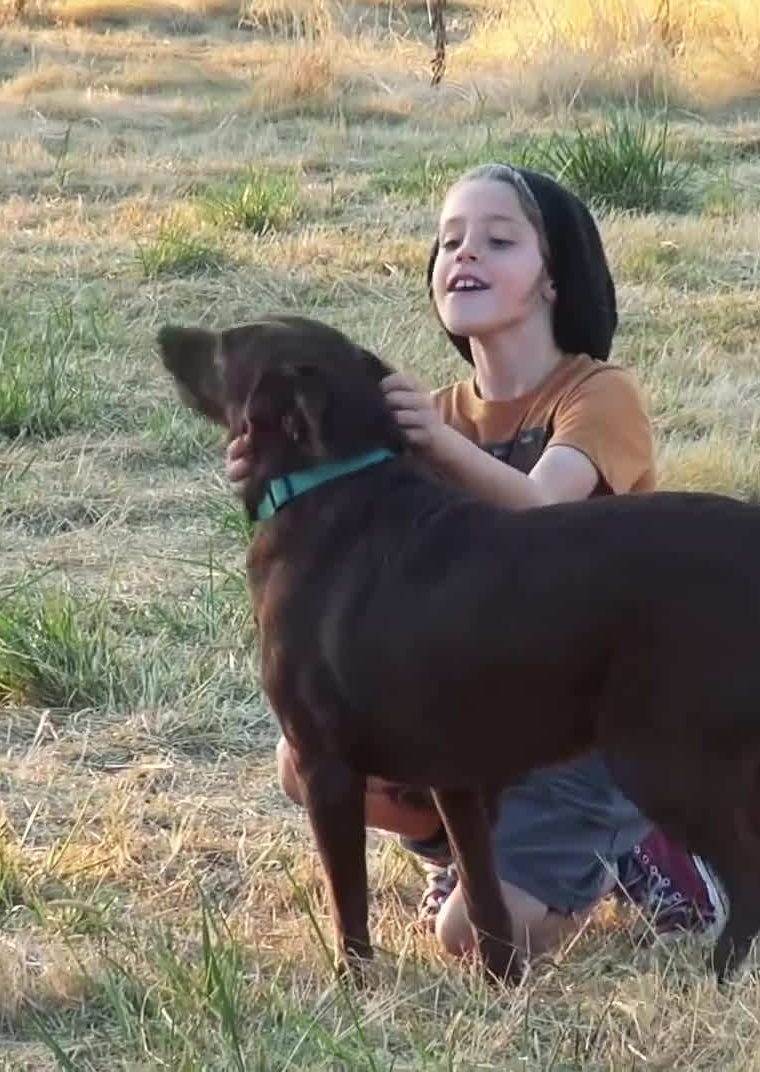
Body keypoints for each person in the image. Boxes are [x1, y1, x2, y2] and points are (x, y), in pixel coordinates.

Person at [225, 163, 727, 963]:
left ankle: (650, 841)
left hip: (595, 730)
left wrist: (434, 444)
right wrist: (277, 477)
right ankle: (458, 853)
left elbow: (542, 513)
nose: (465, 254)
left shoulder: (597, 395)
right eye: (450, 240)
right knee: (305, 760)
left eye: (499, 240)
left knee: (471, 939)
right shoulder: (440, 414)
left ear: (555, 278)